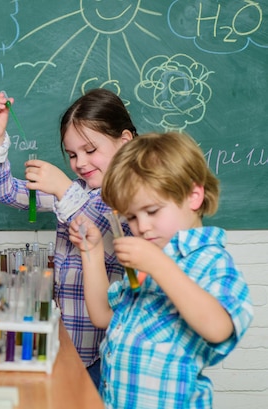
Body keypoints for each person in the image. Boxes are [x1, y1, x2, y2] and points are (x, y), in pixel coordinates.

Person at [69, 131, 254, 408]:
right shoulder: (151, 262)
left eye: (152, 211)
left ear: (194, 196)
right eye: (131, 216)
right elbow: (103, 315)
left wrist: (158, 265)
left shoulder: (209, 260)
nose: (141, 226)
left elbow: (219, 328)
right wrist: (91, 252)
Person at [0, 88, 136, 386]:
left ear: (125, 141)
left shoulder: (136, 199)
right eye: (73, 154)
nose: (80, 163)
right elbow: (3, 191)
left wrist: (64, 189)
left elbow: (98, 233)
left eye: (90, 150)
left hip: (106, 353)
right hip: (65, 345)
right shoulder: (74, 190)